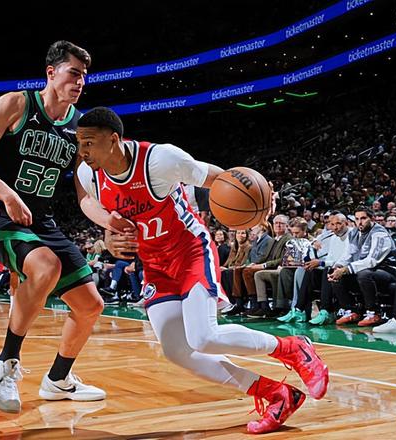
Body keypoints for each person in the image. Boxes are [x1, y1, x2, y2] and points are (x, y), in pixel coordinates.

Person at [75, 107, 328, 434]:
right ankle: (276, 393)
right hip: (155, 263)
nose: (82, 151)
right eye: (80, 143)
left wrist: (260, 198)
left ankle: (293, 348)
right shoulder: (90, 173)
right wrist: (110, 229)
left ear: (113, 140)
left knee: (203, 337)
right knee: (177, 351)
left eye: (89, 143)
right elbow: (93, 204)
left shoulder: (160, 160)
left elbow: (220, 179)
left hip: (189, 251)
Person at [0, 40, 106, 413]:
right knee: (45, 265)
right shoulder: (16, 104)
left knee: (90, 305)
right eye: (73, 73)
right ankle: (5, 366)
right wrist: (6, 194)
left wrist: (109, 221)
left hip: (42, 221)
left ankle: (58, 379)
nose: (80, 82)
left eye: (84, 76)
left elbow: (83, 196)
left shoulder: (79, 127)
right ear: (51, 72)